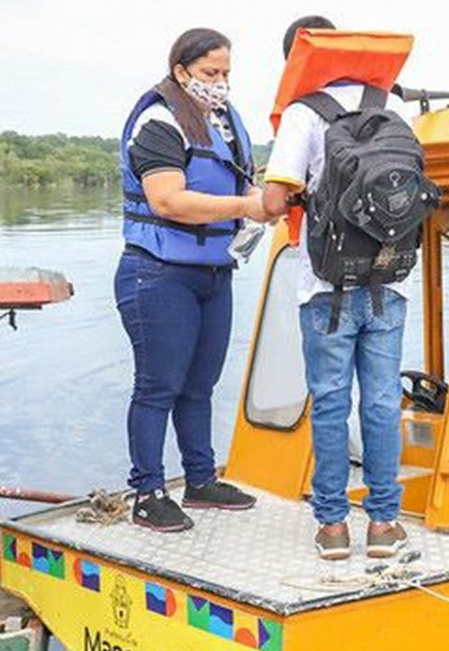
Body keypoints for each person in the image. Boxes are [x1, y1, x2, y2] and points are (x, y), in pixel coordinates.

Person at [261, 15, 414, 560]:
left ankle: (331, 528)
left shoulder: (304, 113)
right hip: (387, 280)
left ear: (296, 61)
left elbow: (275, 203)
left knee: (330, 405)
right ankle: (383, 525)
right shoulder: (390, 106)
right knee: (380, 403)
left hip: (323, 287)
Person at [115, 28, 268, 532]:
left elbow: (243, 180)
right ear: (181, 71)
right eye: (209, 73)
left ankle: (200, 479)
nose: (219, 83)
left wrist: (266, 196)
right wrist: (246, 206)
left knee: (200, 384)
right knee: (158, 385)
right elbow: (167, 200)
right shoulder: (159, 122)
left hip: (212, 273)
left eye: (226, 73)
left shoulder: (223, 122)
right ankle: (148, 492)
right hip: (157, 275)